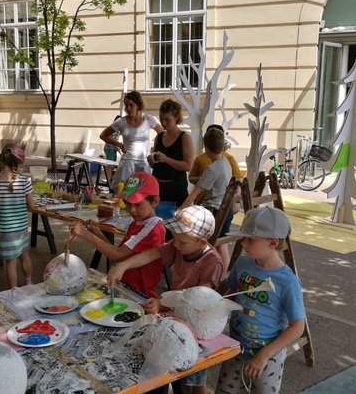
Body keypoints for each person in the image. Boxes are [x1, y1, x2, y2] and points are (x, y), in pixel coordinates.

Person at [106, 206, 223, 394]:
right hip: (176, 317)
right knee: (175, 368)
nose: (175, 246)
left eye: (181, 242)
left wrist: (164, 305)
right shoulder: (181, 245)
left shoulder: (212, 263)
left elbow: (196, 303)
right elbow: (153, 253)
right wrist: (123, 264)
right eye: (175, 240)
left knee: (196, 378)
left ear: (201, 241)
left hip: (196, 326)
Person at [202, 207, 305, 394]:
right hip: (236, 346)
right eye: (244, 238)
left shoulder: (288, 282)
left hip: (266, 355)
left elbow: (297, 327)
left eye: (251, 239)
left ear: (273, 242)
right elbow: (229, 291)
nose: (244, 243)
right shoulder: (244, 263)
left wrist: (265, 355)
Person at [69, 172, 166, 299]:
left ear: (155, 201)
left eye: (137, 204)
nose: (131, 210)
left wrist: (85, 234)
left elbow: (117, 254)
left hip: (141, 294)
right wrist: (97, 233)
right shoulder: (137, 223)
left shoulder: (153, 229)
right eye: (127, 203)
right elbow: (120, 256)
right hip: (126, 288)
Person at [179, 128, 237, 269]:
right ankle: (223, 276)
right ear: (223, 146)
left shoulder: (211, 169)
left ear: (206, 147)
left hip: (214, 212)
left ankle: (208, 272)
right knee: (222, 245)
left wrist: (180, 210)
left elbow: (195, 193)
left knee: (203, 245)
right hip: (226, 209)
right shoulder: (226, 162)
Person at [0, 144, 36, 290]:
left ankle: (14, 291)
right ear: (17, 164)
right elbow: (32, 206)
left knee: (11, 262)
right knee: (24, 255)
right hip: (20, 228)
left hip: (4, 230)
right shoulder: (24, 182)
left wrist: (1, 204)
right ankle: (28, 284)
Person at [100, 91, 163, 191]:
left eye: (131, 105)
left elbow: (163, 134)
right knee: (125, 192)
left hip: (144, 163)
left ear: (138, 105)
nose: (128, 108)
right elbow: (103, 135)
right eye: (126, 105)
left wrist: (155, 149)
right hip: (127, 163)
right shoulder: (121, 122)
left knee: (143, 193)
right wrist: (119, 144)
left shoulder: (148, 119)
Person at [148, 99, 194, 208]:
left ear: (176, 117)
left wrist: (166, 159)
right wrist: (151, 160)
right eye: (161, 119)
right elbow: (155, 164)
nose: (163, 123)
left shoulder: (184, 137)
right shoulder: (159, 137)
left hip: (176, 191)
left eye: (167, 120)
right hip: (158, 189)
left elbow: (188, 166)